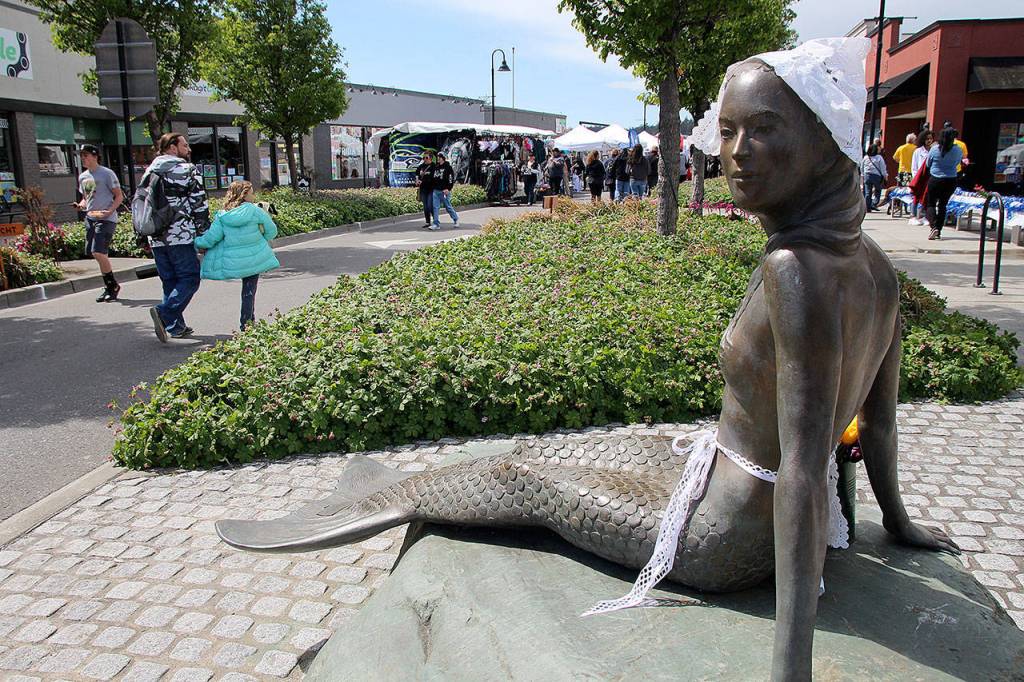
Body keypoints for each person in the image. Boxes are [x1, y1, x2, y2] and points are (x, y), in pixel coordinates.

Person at [218, 38, 957, 682]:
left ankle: (383, 499)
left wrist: (789, 666)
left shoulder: (795, 270)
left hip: (725, 540)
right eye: (727, 131)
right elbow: (880, 427)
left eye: (764, 131)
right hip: (721, 479)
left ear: (824, 140)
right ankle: (404, 488)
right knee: (578, 452)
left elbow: (802, 467)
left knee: (524, 477)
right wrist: (897, 523)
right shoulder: (878, 267)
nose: (735, 154)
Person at [144, 132, 210, 343]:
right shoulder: (186, 170)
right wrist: (203, 234)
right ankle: (164, 314)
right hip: (179, 235)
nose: (188, 149)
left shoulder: (149, 171)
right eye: (184, 145)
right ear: (172, 147)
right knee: (190, 278)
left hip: (155, 236)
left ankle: (176, 326)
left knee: (170, 281)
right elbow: (199, 203)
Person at [193, 180, 279, 330]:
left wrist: (197, 243)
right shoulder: (255, 211)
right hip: (255, 257)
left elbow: (212, 238)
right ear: (244, 195)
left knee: (247, 290)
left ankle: (248, 323)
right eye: (251, 192)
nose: (254, 195)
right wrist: (259, 241)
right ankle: (247, 323)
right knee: (249, 290)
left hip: (233, 260)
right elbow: (272, 230)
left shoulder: (223, 215)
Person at [75, 144, 124, 302]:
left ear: (95, 156)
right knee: (95, 253)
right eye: (81, 155)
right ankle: (110, 286)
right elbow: (87, 197)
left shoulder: (106, 174)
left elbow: (119, 196)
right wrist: (81, 205)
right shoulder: (83, 177)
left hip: (106, 218)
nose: (83, 158)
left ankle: (112, 286)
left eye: (86, 155)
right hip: (91, 217)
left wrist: (110, 211)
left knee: (98, 252)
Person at [924, 127, 964, 240]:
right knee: (943, 205)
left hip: (935, 178)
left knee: (930, 203)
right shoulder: (958, 150)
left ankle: (933, 226)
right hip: (951, 179)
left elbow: (928, 163)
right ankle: (938, 229)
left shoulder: (934, 149)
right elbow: (957, 163)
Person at [908, 129, 934, 226]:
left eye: (931, 139)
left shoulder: (933, 151)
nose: (929, 141)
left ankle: (923, 216)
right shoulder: (918, 151)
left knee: (926, 198)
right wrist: (916, 178)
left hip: (929, 178)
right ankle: (913, 215)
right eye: (927, 139)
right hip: (919, 178)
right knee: (916, 197)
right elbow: (914, 167)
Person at [429, 152, 458, 230]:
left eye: (440, 157)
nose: (438, 158)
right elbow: (432, 178)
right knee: (435, 207)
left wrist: (448, 189)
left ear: (443, 158)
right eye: (438, 157)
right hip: (436, 190)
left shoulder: (448, 167)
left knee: (448, 207)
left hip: (444, 191)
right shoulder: (436, 167)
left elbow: (451, 179)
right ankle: (436, 224)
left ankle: (455, 219)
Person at [861, 144, 886, 212]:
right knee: (878, 190)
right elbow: (883, 168)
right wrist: (885, 175)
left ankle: (867, 207)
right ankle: (874, 203)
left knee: (867, 192)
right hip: (876, 176)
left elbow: (862, 167)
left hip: (867, 175)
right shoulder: (879, 157)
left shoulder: (866, 157)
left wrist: (862, 175)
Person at [415, 150, 435, 228]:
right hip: (423, 189)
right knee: (425, 206)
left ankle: (435, 220)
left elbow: (432, 178)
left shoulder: (433, 166)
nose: (424, 159)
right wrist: (417, 179)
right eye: (423, 158)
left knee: (430, 205)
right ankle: (427, 222)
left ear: (430, 158)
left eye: (426, 158)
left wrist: (422, 180)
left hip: (431, 189)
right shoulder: (421, 166)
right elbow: (417, 172)